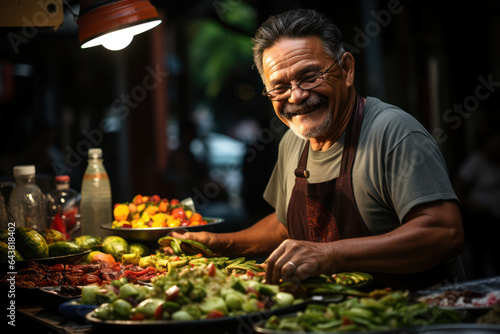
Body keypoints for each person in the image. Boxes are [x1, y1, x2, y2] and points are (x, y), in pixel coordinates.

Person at [172, 8, 465, 291]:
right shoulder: (293, 141)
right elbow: (286, 225)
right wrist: (220, 243)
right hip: (329, 317)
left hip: (410, 316)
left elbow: (443, 233)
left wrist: (332, 255)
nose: (297, 96)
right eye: (280, 87)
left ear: (346, 70)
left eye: (310, 77)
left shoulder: (393, 132)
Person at [453, 128, 500, 279]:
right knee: (478, 258)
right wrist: (479, 207)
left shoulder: (496, 163)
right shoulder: (476, 162)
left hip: (496, 218)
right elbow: (457, 192)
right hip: (480, 219)